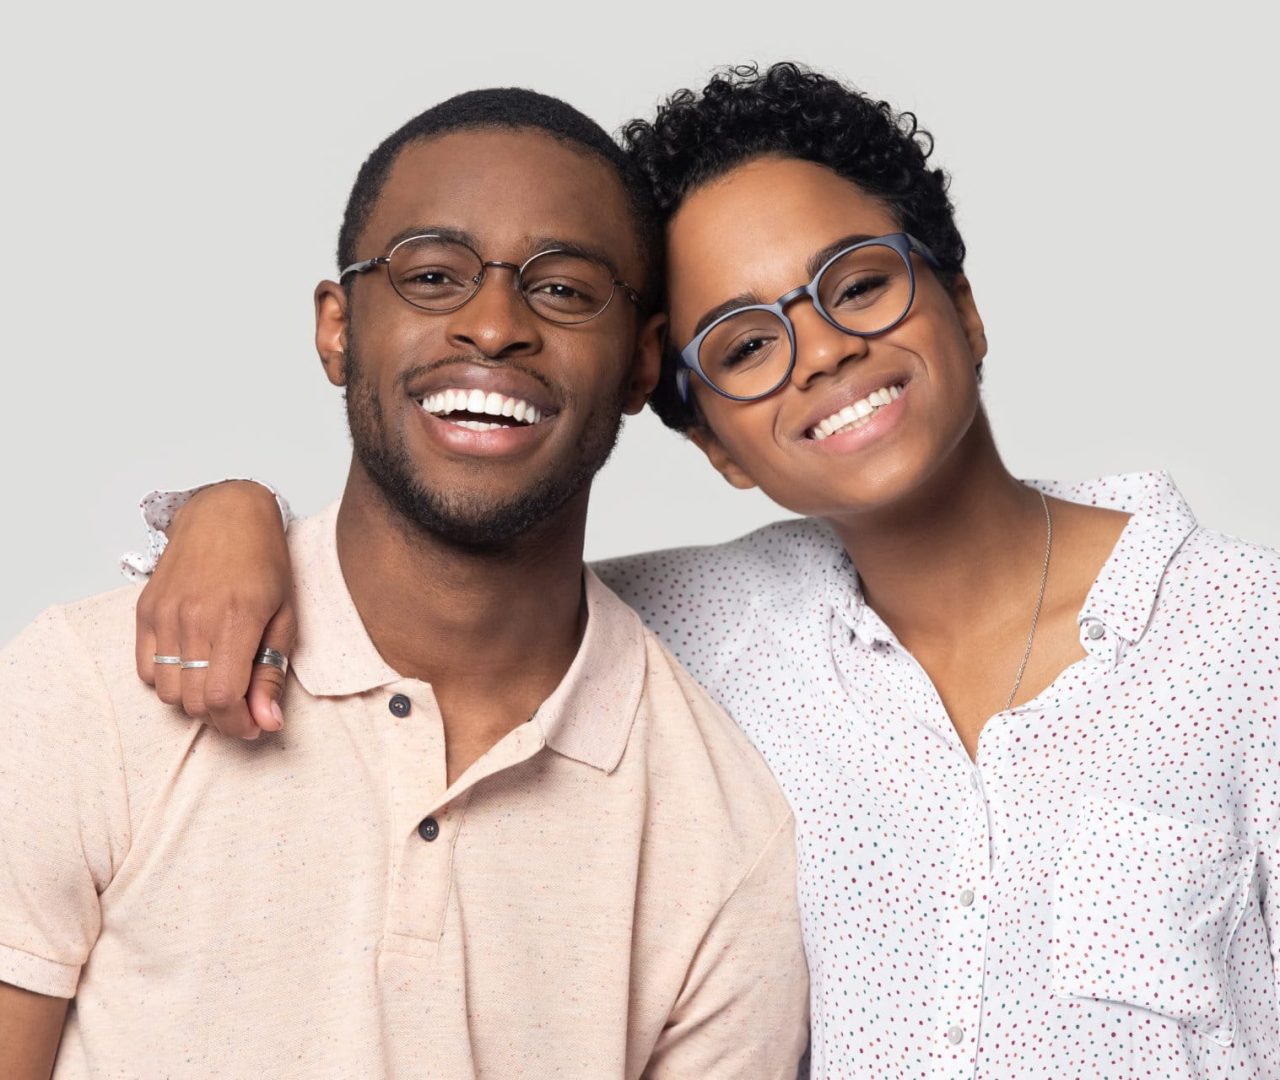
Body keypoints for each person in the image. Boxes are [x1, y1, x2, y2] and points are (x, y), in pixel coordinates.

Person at [129, 63, 1280, 1077]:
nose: (823, 349)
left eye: (860, 283)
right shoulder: (693, 636)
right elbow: (432, 587)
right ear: (713, 446)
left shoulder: (1244, 642)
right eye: (741, 345)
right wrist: (225, 516)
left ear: (963, 308)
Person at [0, 88, 810, 1080]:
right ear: (337, 329)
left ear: (642, 364)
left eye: (562, 289)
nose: (493, 324)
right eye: (432, 275)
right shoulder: (90, 688)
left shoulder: (721, 837)